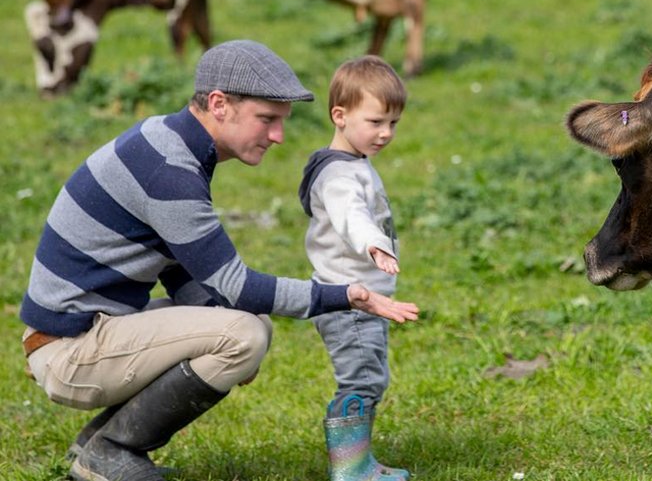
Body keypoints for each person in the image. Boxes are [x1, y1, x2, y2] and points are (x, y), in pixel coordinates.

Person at [19, 40, 420, 481]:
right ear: (219, 104)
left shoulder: (167, 142)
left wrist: (222, 325)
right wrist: (345, 295)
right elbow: (239, 286)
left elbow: (178, 268)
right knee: (242, 333)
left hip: (83, 330)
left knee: (244, 327)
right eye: (266, 120)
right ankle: (111, 453)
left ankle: (95, 444)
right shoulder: (169, 171)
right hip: (68, 349)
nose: (278, 137)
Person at [298, 55, 413, 481]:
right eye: (376, 121)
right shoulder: (339, 178)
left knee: (368, 377)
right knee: (363, 381)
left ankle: (357, 462)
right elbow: (352, 217)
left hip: (359, 297)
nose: (385, 133)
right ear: (339, 116)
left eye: (393, 124)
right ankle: (351, 469)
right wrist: (373, 246)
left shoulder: (351, 162)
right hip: (352, 302)